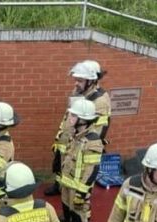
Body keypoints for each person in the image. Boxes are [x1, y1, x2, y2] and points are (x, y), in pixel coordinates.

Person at [46, 60, 111, 196]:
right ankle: (59, 186)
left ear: (91, 81)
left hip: (80, 142)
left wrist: (80, 144)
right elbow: (68, 115)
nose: (76, 83)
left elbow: (97, 130)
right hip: (68, 136)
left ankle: (75, 196)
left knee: (75, 170)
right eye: (76, 80)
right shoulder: (77, 91)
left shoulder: (99, 101)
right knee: (60, 163)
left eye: (80, 80)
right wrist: (61, 136)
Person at [59, 98, 104, 222]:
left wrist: (82, 193)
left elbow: (91, 170)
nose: (70, 117)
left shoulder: (92, 141)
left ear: (83, 120)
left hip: (78, 189)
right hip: (68, 185)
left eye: (74, 115)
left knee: (80, 220)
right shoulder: (75, 136)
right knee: (70, 218)